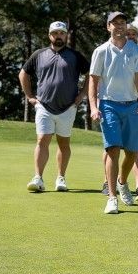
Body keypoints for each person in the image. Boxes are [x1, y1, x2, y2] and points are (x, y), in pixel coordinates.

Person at [89, 11, 138, 215]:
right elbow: (93, 81)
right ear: (108, 26)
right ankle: (112, 197)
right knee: (113, 149)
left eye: (123, 22)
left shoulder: (136, 50)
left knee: (131, 152)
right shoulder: (101, 51)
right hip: (108, 105)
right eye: (116, 23)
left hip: (132, 105)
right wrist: (93, 107)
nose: (120, 26)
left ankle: (123, 182)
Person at [19, 21, 90, 193]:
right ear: (49, 35)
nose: (58, 36)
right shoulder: (39, 54)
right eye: (55, 33)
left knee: (63, 143)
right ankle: (38, 178)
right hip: (44, 106)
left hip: (68, 107)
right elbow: (23, 73)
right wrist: (29, 97)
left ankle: (61, 178)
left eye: (61, 33)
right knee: (42, 140)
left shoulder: (75, 55)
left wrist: (82, 95)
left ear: (66, 35)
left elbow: (91, 75)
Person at [100, 24, 138, 200]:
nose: (131, 37)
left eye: (134, 34)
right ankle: (108, 182)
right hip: (112, 106)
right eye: (128, 34)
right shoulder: (108, 52)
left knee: (136, 147)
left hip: (137, 108)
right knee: (111, 147)